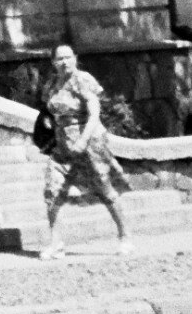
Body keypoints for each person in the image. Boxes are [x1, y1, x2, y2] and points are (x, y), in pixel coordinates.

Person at [36, 42, 130, 256]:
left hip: (89, 144)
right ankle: (56, 242)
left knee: (105, 189)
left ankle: (125, 235)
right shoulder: (52, 84)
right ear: (53, 62)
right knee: (52, 191)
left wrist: (83, 140)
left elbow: (94, 113)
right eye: (59, 58)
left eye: (68, 57)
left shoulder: (83, 79)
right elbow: (48, 111)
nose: (64, 62)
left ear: (75, 58)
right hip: (61, 145)